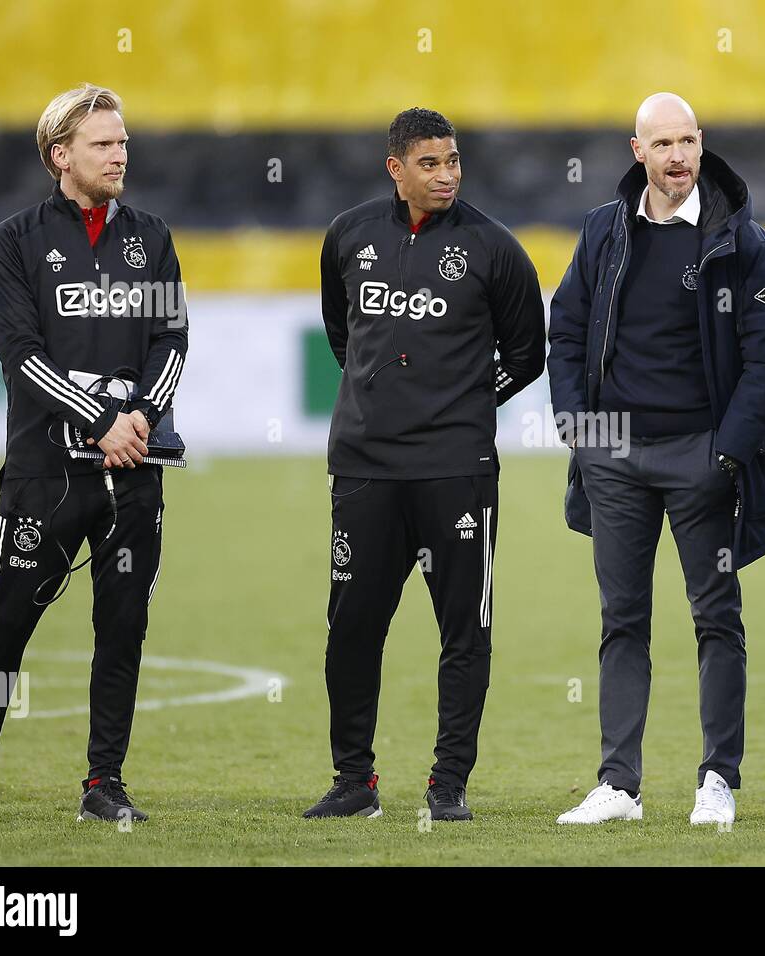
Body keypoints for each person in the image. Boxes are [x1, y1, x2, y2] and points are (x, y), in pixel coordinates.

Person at [548, 93, 765, 826]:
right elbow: (565, 332)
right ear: (638, 151)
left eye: (688, 140)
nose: (678, 156)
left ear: (701, 144)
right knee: (621, 619)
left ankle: (717, 781)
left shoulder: (748, 244)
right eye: (663, 144)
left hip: (703, 460)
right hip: (615, 459)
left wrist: (725, 453)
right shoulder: (602, 233)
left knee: (716, 618)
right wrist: (578, 428)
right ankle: (618, 785)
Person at [0, 84, 188, 824]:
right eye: (103, 144)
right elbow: (20, 355)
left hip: (133, 475)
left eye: (122, 142)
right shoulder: (16, 241)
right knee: (7, 630)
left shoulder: (152, 237)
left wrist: (141, 419)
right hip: (44, 477)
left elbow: (171, 342)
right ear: (61, 155)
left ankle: (103, 783)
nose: (120, 155)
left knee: (122, 630)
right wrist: (102, 421)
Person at [307, 107, 546, 822]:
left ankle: (448, 786)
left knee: (464, 633)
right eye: (430, 163)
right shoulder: (349, 235)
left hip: (456, 470)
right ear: (396, 169)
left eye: (453, 160)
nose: (446, 175)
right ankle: (355, 783)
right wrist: (385, 403)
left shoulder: (495, 249)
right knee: (352, 628)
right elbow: (342, 333)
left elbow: (528, 355)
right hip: (365, 468)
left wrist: (464, 403)